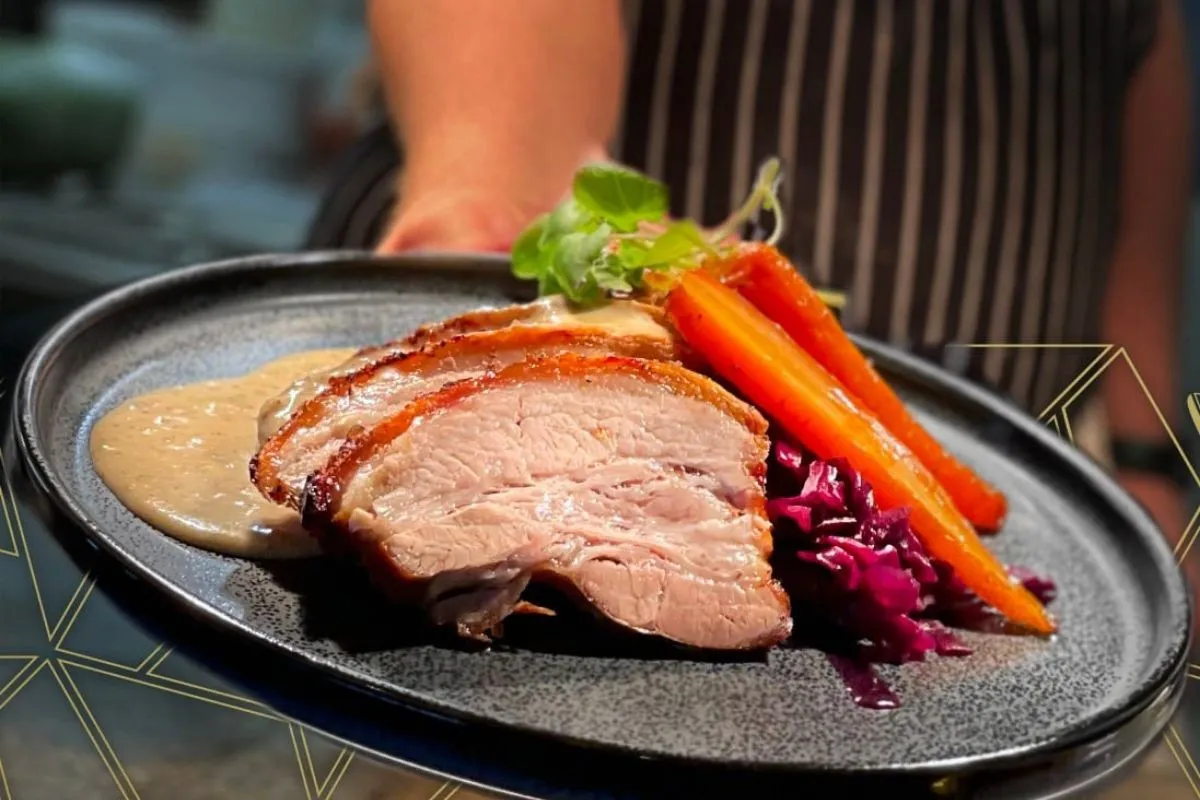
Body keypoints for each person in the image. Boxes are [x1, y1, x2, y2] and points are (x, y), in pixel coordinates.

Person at [307, 0, 1193, 548]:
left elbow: (1134, 47)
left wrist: (1146, 450)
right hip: (590, 377)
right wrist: (494, 182)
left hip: (984, 467)